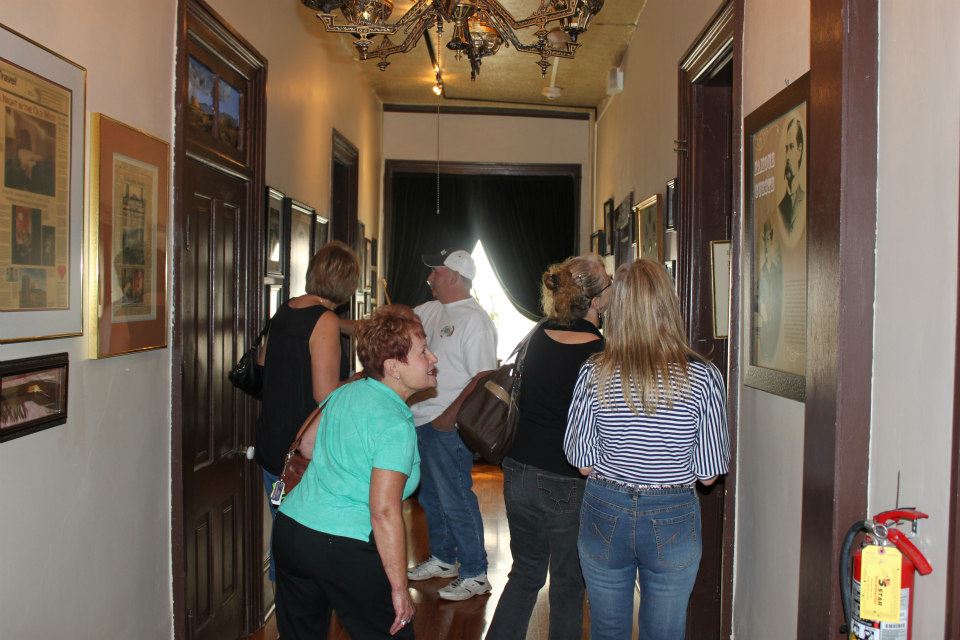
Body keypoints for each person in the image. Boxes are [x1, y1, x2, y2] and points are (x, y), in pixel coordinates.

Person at [563, 259, 730, 640]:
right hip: (673, 513)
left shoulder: (594, 371)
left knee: (607, 630)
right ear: (669, 305)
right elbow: (708, 475)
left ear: (617, 309)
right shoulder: (703, 376)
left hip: (605, 508)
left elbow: (582, 462)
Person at [273, 304, 437, 639]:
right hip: (343, 545)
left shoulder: (348, 390)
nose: (433, 358)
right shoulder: (395, 423)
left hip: (293, 532)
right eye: (423, 352)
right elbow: (383, 511)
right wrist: (399, 588)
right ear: (393, 367)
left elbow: (307, 446)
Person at [486, 254, 612, 640]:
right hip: (565, 478)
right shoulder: (599, 351)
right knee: (568, 581)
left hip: (518, 469)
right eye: (608, 282)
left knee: (525, 572)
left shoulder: (537, 334)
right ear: (595, 300)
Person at [255, 240, 359, 581]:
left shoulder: (285, 310)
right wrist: (357, 381)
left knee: (283, 534)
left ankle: (286, 607)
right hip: (302, 454)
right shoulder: (325, 321)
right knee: (305, 546)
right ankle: (301, 608)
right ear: (346, 284)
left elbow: (262, 362)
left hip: (273, 444)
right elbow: (325, 395)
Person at [405, 248, 498, 601]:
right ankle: (444, 559)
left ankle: (476, 573)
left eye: (437, 272)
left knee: (456, 497)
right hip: (420, 421)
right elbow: (395, 323)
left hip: (446, 426)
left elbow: (484, 377)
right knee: (431, 497)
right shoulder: (430, 310)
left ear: (455, 277)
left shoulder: (475, 320)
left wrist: (449, 417)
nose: (430, 278)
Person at [778, 116, 805, 234]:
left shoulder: (805, 201)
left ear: (799, 150)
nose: (787, 156)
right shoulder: (780, 207)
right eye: (786, 149)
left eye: (792, 147)